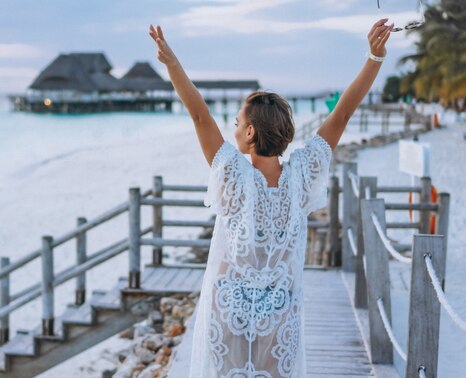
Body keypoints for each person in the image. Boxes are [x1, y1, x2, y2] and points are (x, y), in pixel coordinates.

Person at [149, 18, 393, 378]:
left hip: (228, 305)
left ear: (249, 132)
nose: (231, 128)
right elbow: (341, 116)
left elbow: (200, 115)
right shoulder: (301, 176)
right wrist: (374, 58)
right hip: (280, 309)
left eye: (235, 122)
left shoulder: (234, 175)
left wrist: (172, 65)